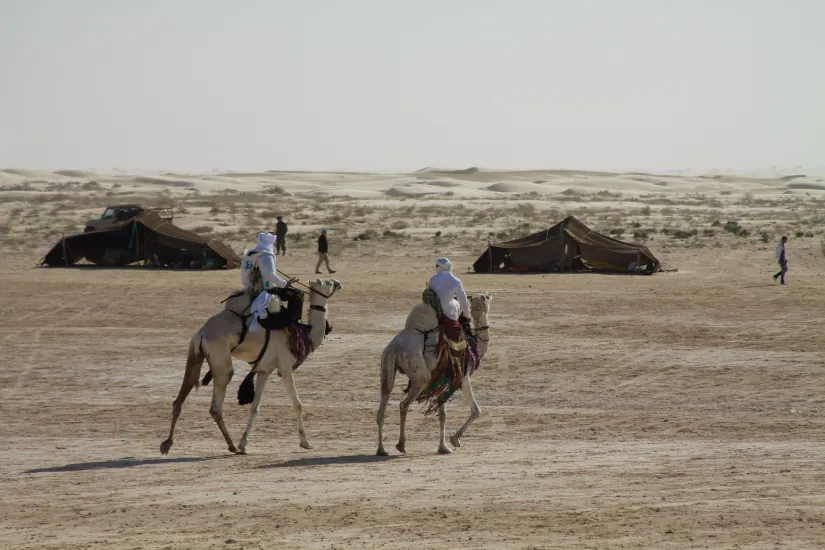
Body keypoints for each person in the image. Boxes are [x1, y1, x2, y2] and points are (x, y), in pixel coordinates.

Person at [241, 232, 300, 328]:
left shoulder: (251, 253)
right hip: (265, 289)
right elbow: (269, 275)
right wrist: (284, 283)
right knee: (297, 294)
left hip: (250, 288)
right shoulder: (267, 255)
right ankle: (293, 324)